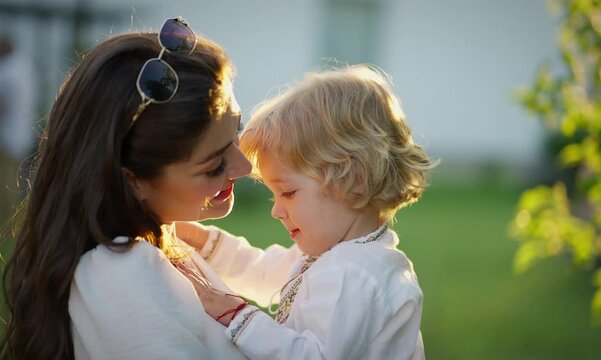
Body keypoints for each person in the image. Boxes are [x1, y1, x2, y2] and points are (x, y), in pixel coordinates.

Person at [0, 18, 252, 359]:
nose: (245, 167)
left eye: (236, 129)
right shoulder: (120, 277)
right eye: (215, 165)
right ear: (132, 181)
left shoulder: (159, 246)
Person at [178, 65, 435, 359]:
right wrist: (204, 242)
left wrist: (237, 316)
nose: (276, 210)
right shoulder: (341, 254)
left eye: (288, 192)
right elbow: (263, 272)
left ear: (355, 181)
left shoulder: (353, 272)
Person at [0, 34, 36, 225]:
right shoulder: (24, 67)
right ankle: (15, 217)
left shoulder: (6, 71)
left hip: (7, 136)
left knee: (6, 183)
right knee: (17, 180)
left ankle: (7, 218)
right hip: (23, 132)